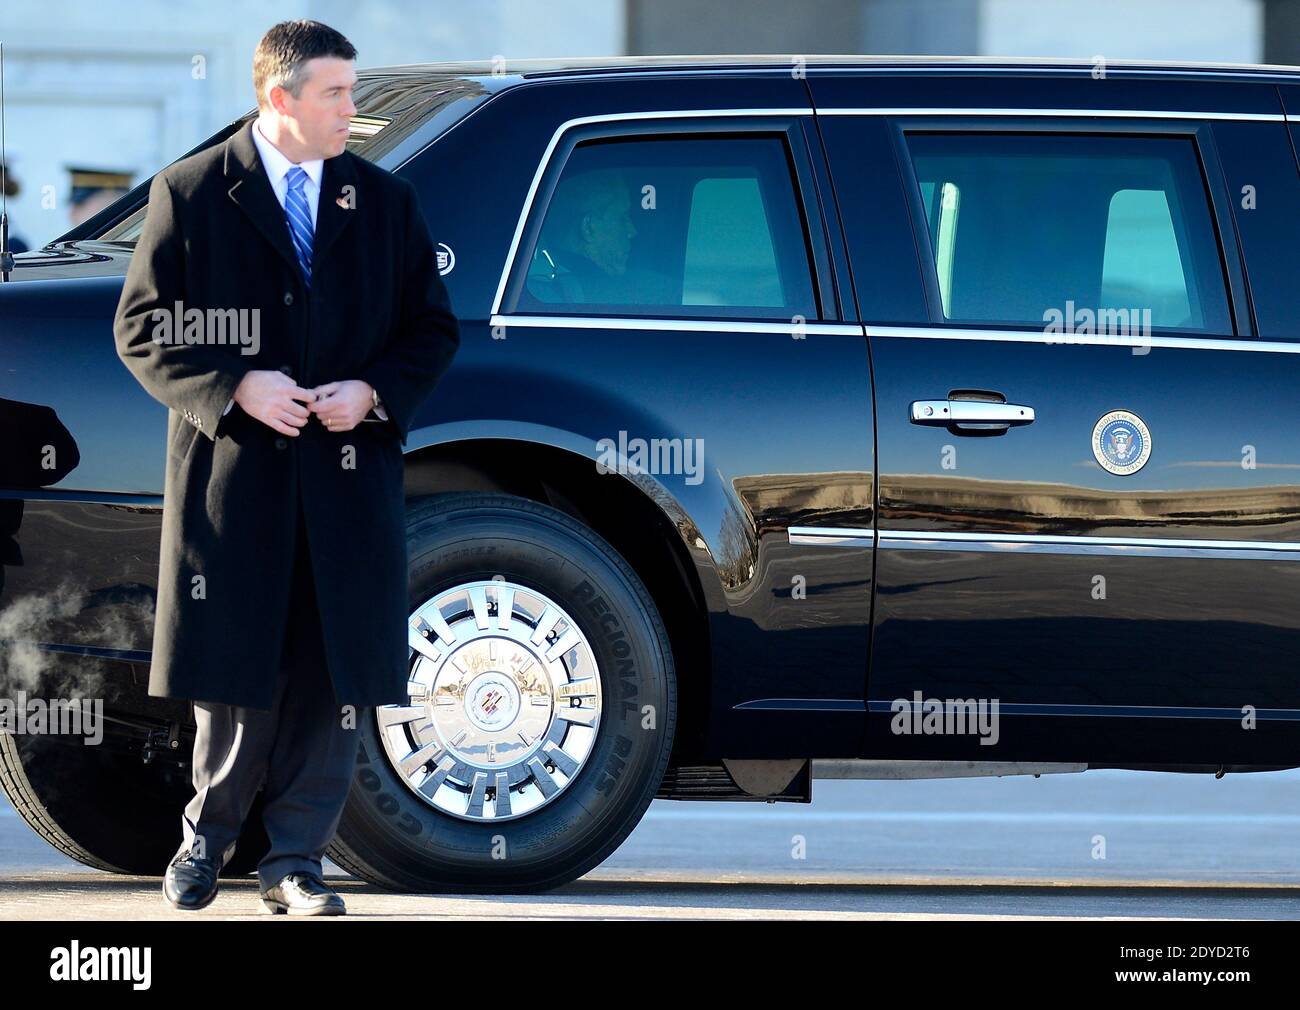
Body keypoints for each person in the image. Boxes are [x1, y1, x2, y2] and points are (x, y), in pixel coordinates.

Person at [112, 19, 459, 915]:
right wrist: (234, 386)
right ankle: (205, 844)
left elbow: (432, 329)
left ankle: (297, 865)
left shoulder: (385, 202)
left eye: (352, 89)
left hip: (347, 483)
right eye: (337, 93)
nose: (355, 109)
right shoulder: (191, 193)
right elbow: (142, 328)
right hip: (238, 487)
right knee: (235, 674)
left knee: (330, 673)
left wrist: (373, 393)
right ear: (282, 98)